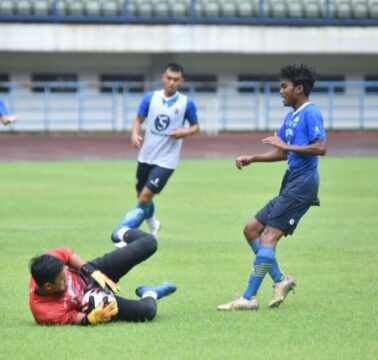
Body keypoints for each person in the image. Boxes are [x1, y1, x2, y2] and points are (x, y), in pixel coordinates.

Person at [218, 64, 327, 311]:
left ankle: (248, 298)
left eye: (284, 86)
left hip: (303, 184)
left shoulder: (311, 113)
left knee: (268, 237)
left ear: (299, 89)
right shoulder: (291, 116)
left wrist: (287, 148)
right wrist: (253, 158)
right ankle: (281, 280)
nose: (281, 91)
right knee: (251, 230)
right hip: (291, 182)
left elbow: (320, 147)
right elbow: (282, 151)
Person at [111, 63, 199, 247]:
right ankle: (154, 225)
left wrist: (184, 132)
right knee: (142, 197)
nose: (172, 82)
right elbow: (138, 121)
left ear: (181, 81)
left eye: (176, 80)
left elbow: (196, 126)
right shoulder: (150, 98)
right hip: (146, 156)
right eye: (169, 78)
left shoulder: (186, 103)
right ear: (163, 78)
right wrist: (134, 134)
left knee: (144, 198)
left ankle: (124, 233)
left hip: (166, 161)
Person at [29, 229, 177, 325]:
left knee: (150, 243)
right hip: (95, 301)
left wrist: (92, 271)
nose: (66, 279)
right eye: (62, 279)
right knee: (147, 312)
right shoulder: (45, 313)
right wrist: (92, 318)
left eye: (65, 274)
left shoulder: (48, 261)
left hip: (92, 273)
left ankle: (122, 233)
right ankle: (151, 293)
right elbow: (75, 318)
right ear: (48, 286)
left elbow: (67, 254)